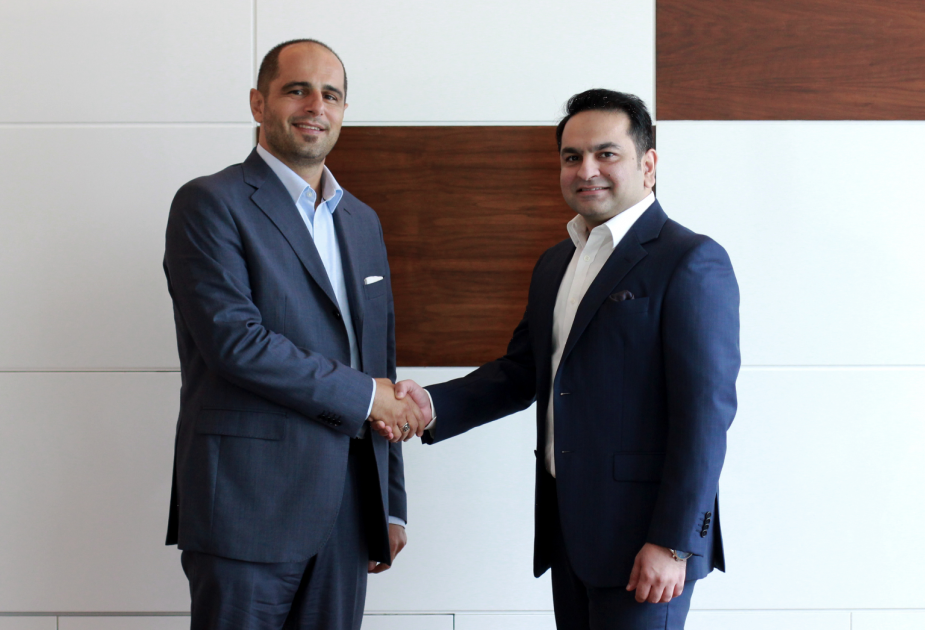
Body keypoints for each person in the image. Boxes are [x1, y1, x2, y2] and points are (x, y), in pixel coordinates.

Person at [383, 89, 740, 630]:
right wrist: (430, 405)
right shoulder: (556, 263)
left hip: (648, 545)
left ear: (648, 165)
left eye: (606, 153)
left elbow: (706, 415)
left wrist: (675, 542)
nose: (586, 170)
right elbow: (522, 371)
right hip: (569, 535)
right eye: (572, 156)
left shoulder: (690, 260)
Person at [163, 39, 424, 630]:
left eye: (331, 95)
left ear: (343, 111)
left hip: (349, 512)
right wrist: (368, 397)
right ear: (259, 103)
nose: (315, 106)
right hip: (246, 507)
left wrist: (391, 504)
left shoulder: (362, 220)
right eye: (297, 90)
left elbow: (378, 363)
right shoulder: (209, 203)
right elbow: (236, 343)